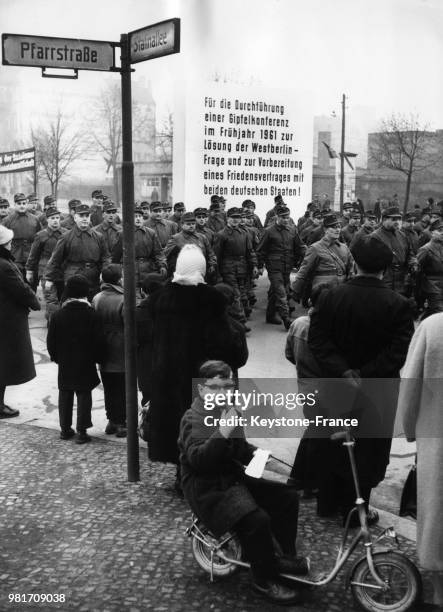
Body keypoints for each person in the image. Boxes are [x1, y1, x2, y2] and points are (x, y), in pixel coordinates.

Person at [178, 360, 305, 605]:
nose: (224, 393)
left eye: (228, 386)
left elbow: (240, 449)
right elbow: (199, 460)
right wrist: (223, 431)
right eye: (216, 387)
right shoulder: (193, 417)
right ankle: (263, 579)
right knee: (257, 520)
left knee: (287, 497)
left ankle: (284, 559)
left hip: (231, 478)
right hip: (207, 487)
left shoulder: (230, 411)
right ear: (202, 390)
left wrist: (266, 459)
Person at [308, 234, 415, 525]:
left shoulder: (330, 296)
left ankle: (326, 502)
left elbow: (317, 341)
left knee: (332, 442)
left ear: (353, 262)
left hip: (336, 384)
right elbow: (397, 354)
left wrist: (344, 371)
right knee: (368, 448)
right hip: (377, 390)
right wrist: (364, 375)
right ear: (385, 268)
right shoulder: (399, 305)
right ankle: (356, 510)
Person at [141, 245, 246, 488]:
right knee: (205, 427)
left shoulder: (159, 298)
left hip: (168, 376)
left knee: (177, 424)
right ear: (201, 269)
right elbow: (224, 343)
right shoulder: (210, 299)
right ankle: (201, 479)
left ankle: (181, 474)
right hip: (203, 377)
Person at [399, 313, 443, 610]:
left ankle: (440, 592)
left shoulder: (433, 327)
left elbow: (411, 385)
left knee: (438, 511)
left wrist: (410, 429)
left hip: (437, 438)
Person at [46, 275, 106, 444]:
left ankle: (65, 429)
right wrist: (97, 358)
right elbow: (99, 340)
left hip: (65, 361)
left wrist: (56, 357)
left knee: (65, 393)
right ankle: (82, 430)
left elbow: (51, 341)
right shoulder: (92, 315)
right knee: (84, 394)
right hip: (85, 361)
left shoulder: (58, 315)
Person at [285, 283, 329, 495]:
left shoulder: (298, 324)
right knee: (318, 435)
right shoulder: (327, 330)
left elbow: (288, 354)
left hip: (304, 383)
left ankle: (297, 478)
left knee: (313, 430)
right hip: (323, 386)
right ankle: (309, 482)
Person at [0, 225, 41, 419]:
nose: (11, 245)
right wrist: (35, 302)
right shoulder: (4, 265)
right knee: (5, 363)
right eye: (8, 243)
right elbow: (21, 289)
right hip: (6, 322)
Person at [45, 202, 111, 300]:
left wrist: (104, 272)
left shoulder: (98, 237)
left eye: (87, 216)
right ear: (75, 218)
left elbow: (106, 257)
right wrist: (49, 279)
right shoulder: (66, 237)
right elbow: (55, 259)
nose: (85, 218)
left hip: (93, 276)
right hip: (73, 276)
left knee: (92, 305)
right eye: (81, 216)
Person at [92, 265, 126, 437]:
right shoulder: (123, 299)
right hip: (120, 346)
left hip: (103, 346)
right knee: (122, 386)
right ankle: (121, 421)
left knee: (109, 386)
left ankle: (111, 419)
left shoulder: (97, 297)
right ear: (119, 279)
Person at [257, 205, 304, 329]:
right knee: (281, 292)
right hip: (274, 267)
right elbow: (261, 250)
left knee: (275, 292)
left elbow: (299, 247)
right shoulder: (269, 231)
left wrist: (303, 260)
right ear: (277, 217)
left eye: (287, 217)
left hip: (287, 267)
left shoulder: (293, 230)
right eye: (283, 217)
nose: (285, 219)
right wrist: (260, 265)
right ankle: (286, 319)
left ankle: (270, 315)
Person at [292, 213, 354, 307]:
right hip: (322, 296)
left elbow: (352, 268)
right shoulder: (315, 248)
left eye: (338, 226)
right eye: (333, 227)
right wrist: (295, 292)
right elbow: (304, 272)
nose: (337, 229)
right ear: (325, 229)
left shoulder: (344, 248)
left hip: (341, 294)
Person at [215, 207, 258, 326]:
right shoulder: (221, 235)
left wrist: (254, 265)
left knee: (242, 294)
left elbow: (250, 251)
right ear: (227, 218)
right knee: (236, 295)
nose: (235, 220)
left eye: (238, 218)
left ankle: (231, 319)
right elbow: (216, 256)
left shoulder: (244, 233)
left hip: (242, 268)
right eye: (233, 218)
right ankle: (241, 322)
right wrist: (217, 274)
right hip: (228, 268)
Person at [112, 205, 166, 294]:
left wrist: (162, 265)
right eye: (135, 216)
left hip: (148, 270)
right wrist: (117, 273)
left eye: (140, 216)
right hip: (130, 271)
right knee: (132, 297)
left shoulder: (151, 233)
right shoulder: (122, 234)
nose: (138, 219)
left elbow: (158, 253)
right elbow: (116, 257)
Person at [25, 206, 67, 309]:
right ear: (47, 219)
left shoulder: (66, 234)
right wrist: (29, 271)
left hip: (63, 271)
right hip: (46, 272)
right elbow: (33, 255)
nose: (55, 221)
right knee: (51, 301)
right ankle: (52, 323)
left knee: (63, 299)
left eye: (57, 218)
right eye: (52, 218)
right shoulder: (41, 236)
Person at [372, 206, 417, 295]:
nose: (397, 222)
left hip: (401, 281)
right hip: (384, 280)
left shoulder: (402, 236)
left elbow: (410, 254)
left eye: (399, 219)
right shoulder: (375, 237)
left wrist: (413, 263)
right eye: (394, 219)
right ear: (384, 220)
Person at [2, 192, 42, 287]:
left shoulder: (35, 219)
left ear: (27, 204)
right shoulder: (8, 220)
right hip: (15, 256)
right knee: (17, 283)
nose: (22, 206)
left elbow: (40, 237)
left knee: (32, 283)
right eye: (19, 204)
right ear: (15, 204)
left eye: (24, 203)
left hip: (31, 256)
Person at [164, 211, 217, 279]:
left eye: (193, 224)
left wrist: (212, 264)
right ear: (182, 224)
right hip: (183, 274)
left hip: (200, 273)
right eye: (188, 224)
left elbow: (211, 254)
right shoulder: (175, 238)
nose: (191, 226)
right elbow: (165, 255)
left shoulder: (202, 237)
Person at [416, 217, 443, 314]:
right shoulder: (426, 249)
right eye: (439, 230)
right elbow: (418, 269)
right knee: (438, 313)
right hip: (432, 286)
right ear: (432, 233)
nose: (442, 232)